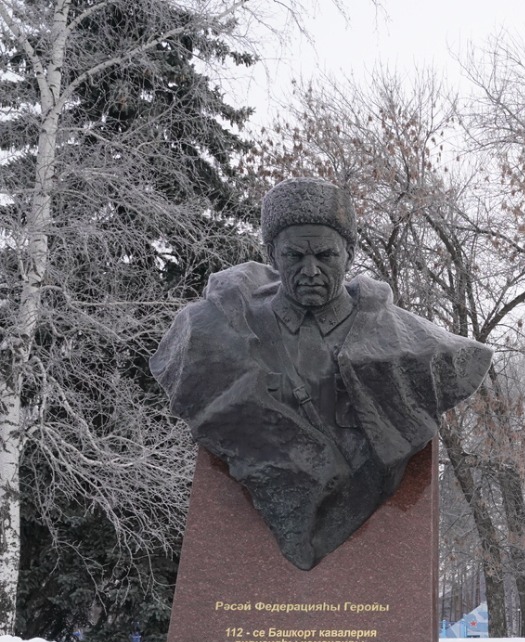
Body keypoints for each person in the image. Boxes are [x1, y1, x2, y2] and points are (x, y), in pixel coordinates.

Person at [152, 178, 493, 570]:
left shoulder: (419, 348)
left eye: (326, 256)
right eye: (294, 256)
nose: (310, 270)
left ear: (349, 255)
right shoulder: (207, 334)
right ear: (271, 255)